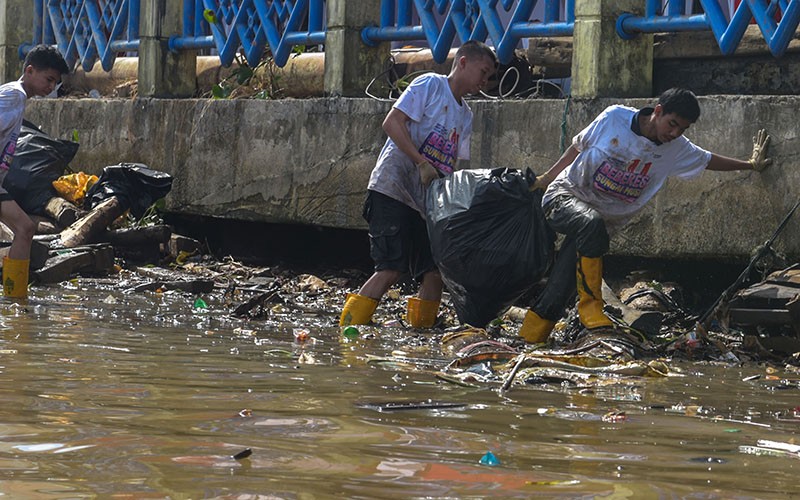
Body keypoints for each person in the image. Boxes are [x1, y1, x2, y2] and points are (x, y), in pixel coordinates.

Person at [519, 88, 772, 342]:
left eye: (681, 129)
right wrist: (546, 179)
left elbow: (708, 160)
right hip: (563, 198)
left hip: (597, 227)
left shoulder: (676, 148)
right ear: (658, 111)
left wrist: (750, 164)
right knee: (590, 223)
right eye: (672, 124)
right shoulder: (614, 118)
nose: (674, 133)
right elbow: (577, 147)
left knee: (561, 287)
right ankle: (591, 308)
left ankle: (529, 339)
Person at [340, 40, 498, 328]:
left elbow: (453, 165)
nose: (484, 82)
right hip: (393, 187)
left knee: (434, 271)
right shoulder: (430, 86)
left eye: (488, 77)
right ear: (462, 62)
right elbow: (392, 122)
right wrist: (421, 163)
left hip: (426, 202)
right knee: (390, 269)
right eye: (482, 72)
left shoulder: (466, 114)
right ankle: (347, 330)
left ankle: (419, 334)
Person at [0, 45, 70, 298]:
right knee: (25, 228)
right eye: (48, 79)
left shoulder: (13, 95)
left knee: (25, 228)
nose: (51, 87)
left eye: (55, 83)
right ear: (29, 70)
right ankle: (15, 299)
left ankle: (13, 299)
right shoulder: (14, 96)